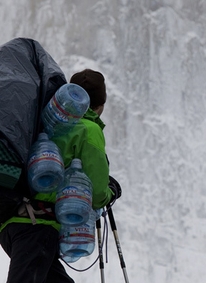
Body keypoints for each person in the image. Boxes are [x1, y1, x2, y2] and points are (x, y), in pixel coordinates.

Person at [0, 69, 119, 283]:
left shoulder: (43, 121)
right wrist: (111, 193)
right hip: (37, 227)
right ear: (100, 106)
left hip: (12, 221)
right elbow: (98, 193)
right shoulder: (89, 130)